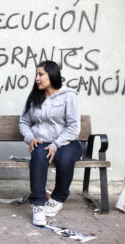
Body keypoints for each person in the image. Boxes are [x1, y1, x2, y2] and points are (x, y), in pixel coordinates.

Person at [19, 60, 82, 226]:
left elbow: (74, 127)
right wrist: (30, 138)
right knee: (39, 156)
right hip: (42, 142)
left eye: (41, 75)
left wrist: (56, 145)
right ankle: (38, 204)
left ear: (52, 75)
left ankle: (58, 197)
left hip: (67, 142)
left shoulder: (69, 96)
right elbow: (24, 122)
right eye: (36, 75)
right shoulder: (34, 98)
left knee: (65, 158)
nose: (37, 79)